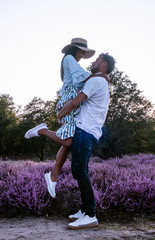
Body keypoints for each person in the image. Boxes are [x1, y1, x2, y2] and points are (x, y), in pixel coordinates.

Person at [24, 38, 108, 198]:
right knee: (68, 141)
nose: (83, 54)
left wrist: (101, 77)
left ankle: (53, 175)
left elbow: (86, 78)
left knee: (69, 142)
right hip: (69, 99)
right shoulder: (69, 59)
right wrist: (102, 76)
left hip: (72, 99)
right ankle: (42, 130)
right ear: (75, 49)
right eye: (82, 51)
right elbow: (83, 77)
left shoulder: (73, 62)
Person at [57, 53, 115, 229]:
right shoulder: (101, 80)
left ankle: (90, 215)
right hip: (90, 130)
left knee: (79, 171)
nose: (94, 61)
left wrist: (60, 113)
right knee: (81, 170)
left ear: (103, 64)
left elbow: (75, 102)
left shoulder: (96, 81)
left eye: (97, 60)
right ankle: (84, 211)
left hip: (85, 129)